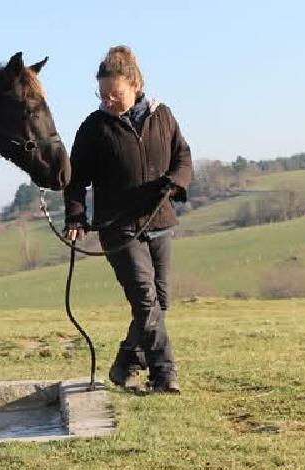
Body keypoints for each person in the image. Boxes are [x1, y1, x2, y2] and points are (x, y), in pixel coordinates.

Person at [63, 45, 192, 393]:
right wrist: (75, 215)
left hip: (160, 221)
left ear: (135, 85)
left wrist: (175, 182)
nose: (107, 101)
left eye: (114, 94)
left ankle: (125, 365)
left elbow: (183, 157)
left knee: (159, 301)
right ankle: (164, 376)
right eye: (102, 95)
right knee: (146, 301)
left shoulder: (162, 115)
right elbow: (76, 180)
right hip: (119, 229)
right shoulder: (93, 128)